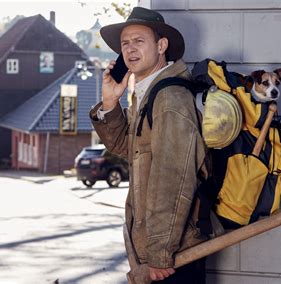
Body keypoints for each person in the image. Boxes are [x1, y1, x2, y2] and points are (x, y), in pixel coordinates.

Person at [89, 7, 208, 283]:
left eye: (139, 41)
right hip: (157, 254)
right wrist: (110, 102)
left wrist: (159, 255)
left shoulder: (170, 99)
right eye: (125, 43)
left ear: (162, 45)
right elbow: (126, 147)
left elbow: (173, 180)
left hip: (174, 257)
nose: (130, 49)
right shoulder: (148, 93)